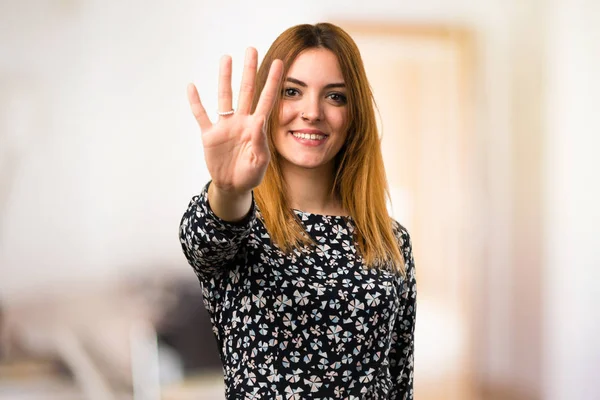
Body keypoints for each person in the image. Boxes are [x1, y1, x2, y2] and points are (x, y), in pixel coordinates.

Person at [179, 22, 416, 399]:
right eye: (292, 92)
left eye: (335, 97)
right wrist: (227, 189)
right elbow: (205, 240)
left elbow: (399, 379)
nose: (312, 112)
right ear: (266, 103)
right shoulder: (241, 225)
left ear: (354, 114)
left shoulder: (391, 238)